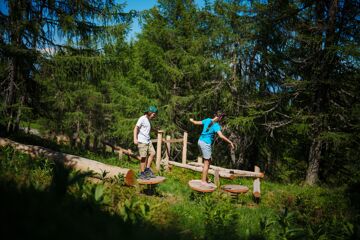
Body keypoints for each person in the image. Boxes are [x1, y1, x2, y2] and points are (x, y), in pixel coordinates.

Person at [190, 111, 235, 186]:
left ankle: (205, 178)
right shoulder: (216, 125)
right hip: (205, 144)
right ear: (220, 117)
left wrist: (192, 120)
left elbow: (195, 123)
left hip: (200, 141)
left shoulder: (207, 120)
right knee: (206, 163)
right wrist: (230, 142)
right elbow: (221, 136)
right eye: (222, 119)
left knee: (208, 160)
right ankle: (203, 181)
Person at [134, 106, 158, 180]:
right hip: (142, 141)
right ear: (149, 113)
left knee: (153, 153)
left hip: (148, 140)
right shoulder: (142, 118)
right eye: (154, 114)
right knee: (143, 157)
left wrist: (156, 130)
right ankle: (142, 173)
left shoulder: (148, 120)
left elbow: (148, 129)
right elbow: (136, 128)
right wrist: (135, 138)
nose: (154, 116)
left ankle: (147, 169)